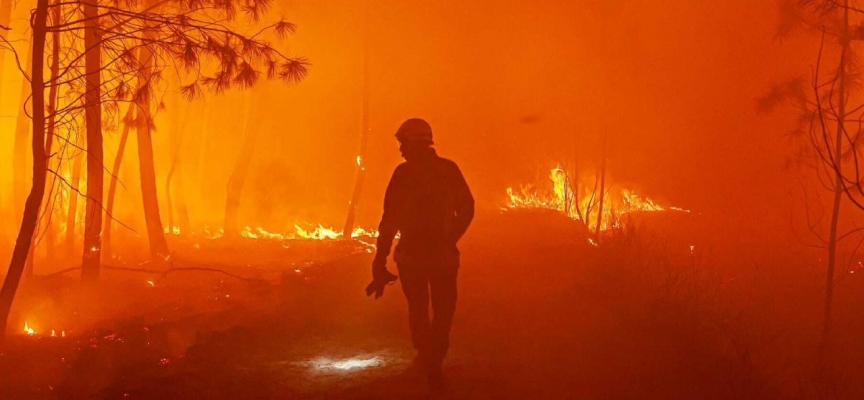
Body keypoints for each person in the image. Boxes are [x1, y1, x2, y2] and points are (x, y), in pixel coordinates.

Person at [366, 118, 474, 390]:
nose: (401, 150)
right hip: (443, 258)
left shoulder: (403, 174)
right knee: (443, 311)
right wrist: (451, 237)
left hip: (412, 258)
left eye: (403, 144)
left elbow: (389, 220)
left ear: (414, 144)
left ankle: (429, 359)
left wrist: (380, 260)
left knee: (418, 310)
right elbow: (467, 208)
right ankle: (433, 361)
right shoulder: (449, 170)